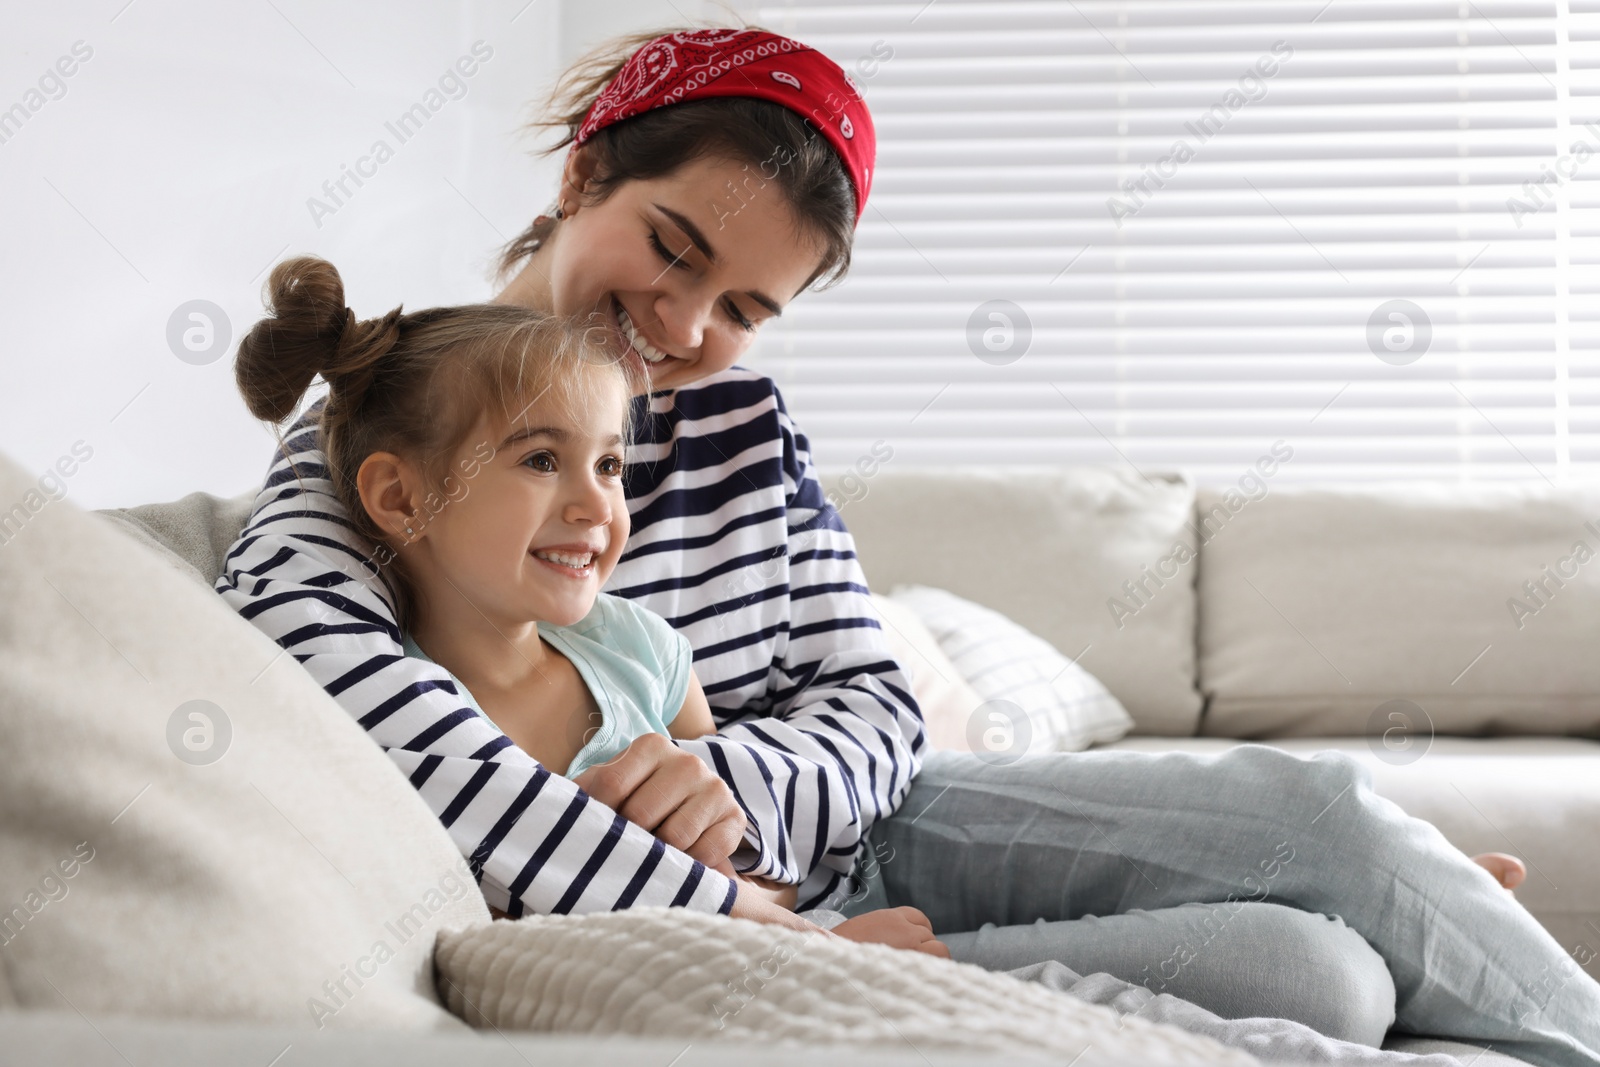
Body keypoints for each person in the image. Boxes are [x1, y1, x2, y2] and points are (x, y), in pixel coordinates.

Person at [214, 27, 1600, 1067]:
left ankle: (1395, 896)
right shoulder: (389, 426)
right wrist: (748, 908)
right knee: (1319, 978)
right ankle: (1378, 924)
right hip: (759, 906)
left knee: (1332, 817)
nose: (687, 328)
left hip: (883, 817)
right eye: (672, 247)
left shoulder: (745, 427)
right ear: (585, 173)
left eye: (745, 305)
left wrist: (721, 777)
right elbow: (371, 712)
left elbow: (873, 703)